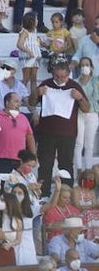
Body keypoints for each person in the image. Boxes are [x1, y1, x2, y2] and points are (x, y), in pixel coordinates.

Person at [36, 60, 90, 192]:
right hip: (46, 133)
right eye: (56, 76)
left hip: (67, 134)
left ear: (68, 74)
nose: (59, 79)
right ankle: (43, 193)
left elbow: (86, 108)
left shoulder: (74, 86)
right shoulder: (46, 84)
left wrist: (80, 98)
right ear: (53, 74)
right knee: (45, 164)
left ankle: (66, 194)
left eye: (63, 77)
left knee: (65, 165)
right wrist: (37, 93)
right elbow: (32, 102)